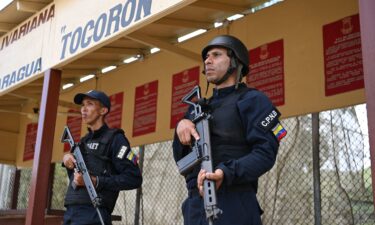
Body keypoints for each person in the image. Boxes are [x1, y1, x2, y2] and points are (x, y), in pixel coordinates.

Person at [173, 35, 287, 225]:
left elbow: (265, 153)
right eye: (206, 57)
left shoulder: (253, 100)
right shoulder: (197, 109)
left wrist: (225, 173)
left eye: (216, 55)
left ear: (235, 62)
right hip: (195, 206)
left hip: (234, 202)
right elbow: (181, 160)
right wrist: (181, 126)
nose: (208, 61)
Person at [62, 90, 142, 225]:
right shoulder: (82, 142)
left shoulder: (116, 139)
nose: (83, 109)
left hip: (94, 214)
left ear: (103, 110)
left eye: (90, 104)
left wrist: (96, 181)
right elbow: (75, 179)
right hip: (70, 213)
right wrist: (67, 160)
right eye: (83, 105)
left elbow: (133, 179)